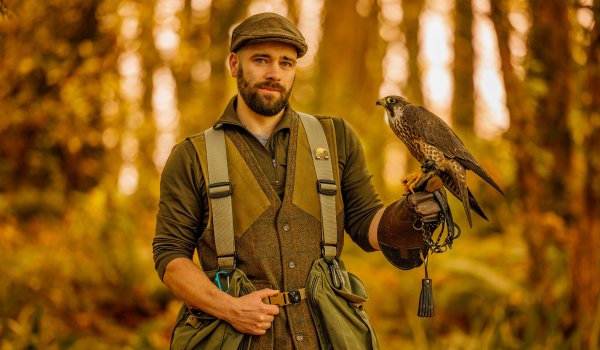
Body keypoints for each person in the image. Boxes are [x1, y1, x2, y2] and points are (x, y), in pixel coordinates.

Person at [153, 12, 443, 350]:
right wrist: (229, 308)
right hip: (237, 338)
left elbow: (367, 225)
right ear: (234, 64)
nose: (274, 73)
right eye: (261, 60)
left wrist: (410, 214)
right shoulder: (191, 156)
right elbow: (170, 256)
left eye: (286, 63)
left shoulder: (335, 137)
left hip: (329, 335)